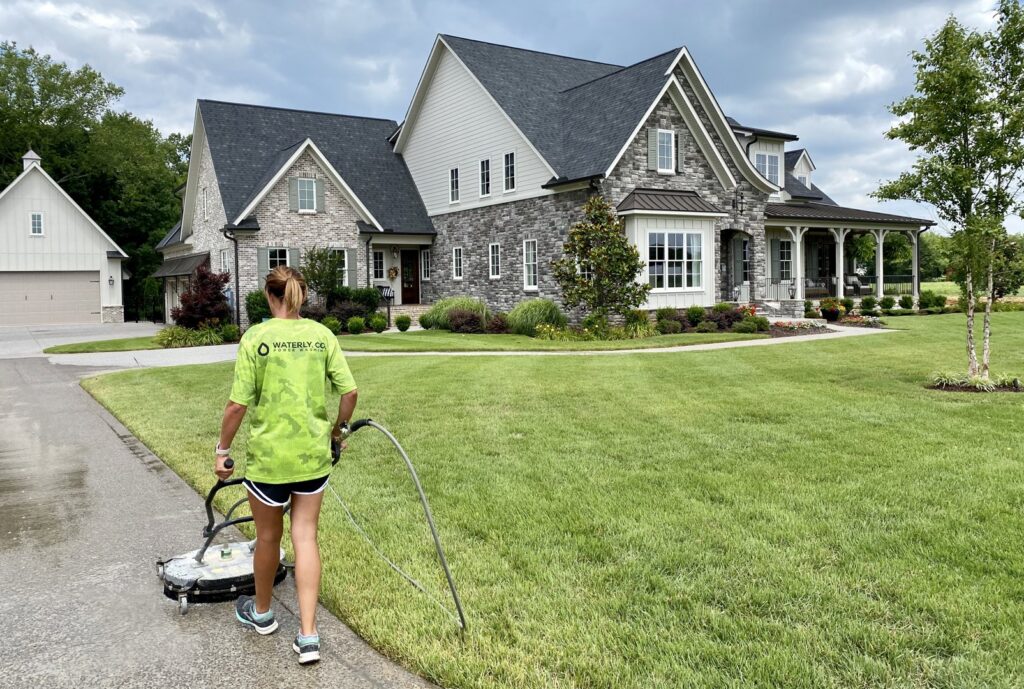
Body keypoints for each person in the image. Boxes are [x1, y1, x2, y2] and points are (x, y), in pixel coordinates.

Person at [214, 265, 358, 665]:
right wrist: (338, 432)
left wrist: (221, 449)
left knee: (267, 538)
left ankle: (262, 614)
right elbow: (349, 392)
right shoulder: (322, 335)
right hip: (312, 460)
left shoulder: (256, 337)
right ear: (301, 295)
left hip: (269, 463)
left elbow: (237, 405)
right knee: (306, 537)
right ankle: (309, 636)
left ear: (269, 296)